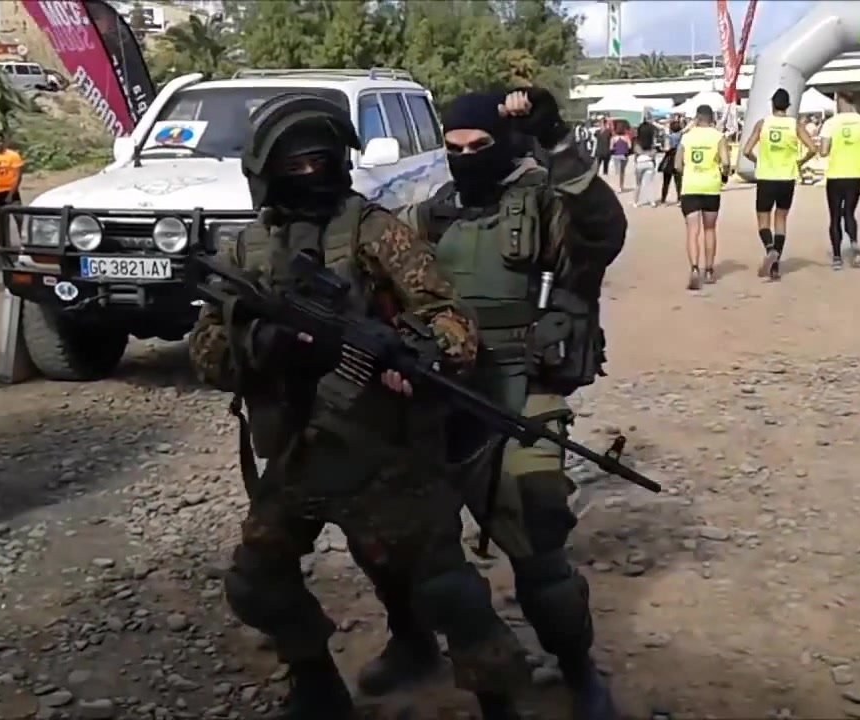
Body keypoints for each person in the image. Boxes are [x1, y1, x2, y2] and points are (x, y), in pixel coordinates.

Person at [187, 93, 534, 720]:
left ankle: (498, 698)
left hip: (385, 449)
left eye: (321, 161)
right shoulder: (246, 251)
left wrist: (420, 352)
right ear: (265, 170)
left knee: (446, 590)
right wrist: (260, 345)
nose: (311, 174)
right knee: (255, 582)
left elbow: (451, 318)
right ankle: (316, 684)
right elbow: (206, 350)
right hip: (298, 451)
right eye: (296, 165)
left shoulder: (376, 231)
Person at [377, 88, 627, 720]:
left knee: (538, 537)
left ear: (505, 143)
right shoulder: (428, 215)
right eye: (454, 148)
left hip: (523, 385)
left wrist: (558, 141)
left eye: (480, 146)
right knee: (427, 556)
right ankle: (485, 681)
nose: (466, 158)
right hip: (444, 391)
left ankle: (578, 668)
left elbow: (603, 229)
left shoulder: (542, 201)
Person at [741, 88, 817, 281]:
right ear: (788, 106)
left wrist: (758, 160)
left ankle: (769, 249)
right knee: (781, 219)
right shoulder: (795, 125)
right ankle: (775, 267)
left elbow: (746, 150)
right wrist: (800, 162)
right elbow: (812, 148)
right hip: (787, 178)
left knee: (763, 219)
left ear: (772, 105)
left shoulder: (762, 124)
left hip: (766, 177)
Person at [818, 92, 860, 270]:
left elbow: (823, 151)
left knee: (834, 216)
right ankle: (854, 243)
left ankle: (837, 257)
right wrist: (858, 148)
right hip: (854, 174)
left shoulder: (830, 123)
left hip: (835, 175)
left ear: (839, 101)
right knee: (849, 212)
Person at [674, 104, 729, 290]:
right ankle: (710, 270)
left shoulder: (687, 137)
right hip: (711, 186)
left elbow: (677, 165)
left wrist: (689, 171)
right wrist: (724, 175)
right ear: (711, 118)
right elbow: (726, 162)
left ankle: (694, 268)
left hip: (690, 186)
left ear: (697, 118)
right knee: (710, 229)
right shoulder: (718, 136)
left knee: (692, 231)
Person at [0, 133, 25, 242]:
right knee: (2, 220)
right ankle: (4, 245)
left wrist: (11, 194)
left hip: (10, 190)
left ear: (4, 142)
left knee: (19, 217)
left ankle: (24, 242)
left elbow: (18, 176)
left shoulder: (13, 156)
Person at [632, 115, 659, 208]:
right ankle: (652, 202)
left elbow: (636, 151)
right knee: (649, 184)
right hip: (649, 162)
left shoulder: (637, 142)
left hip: (640, 162)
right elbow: (654, 153)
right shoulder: (651, 142)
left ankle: (635, 202)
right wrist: (649, 154)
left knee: (638, 184)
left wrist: (641, 155)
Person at [659, 117, 684, 204]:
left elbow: (667, 148)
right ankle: (679, 198)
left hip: (669, 158)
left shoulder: (669, 137)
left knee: (666, 181)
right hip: (678, 158)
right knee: (678, 181)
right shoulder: (681, 136)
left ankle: (663, 198)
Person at [608, 122, 631, 192]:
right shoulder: (626, 137)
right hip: (624, 155)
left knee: (617, 171)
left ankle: (617, 187)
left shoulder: (613, 138)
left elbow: (611, 148)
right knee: (622, 172)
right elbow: (629, 146)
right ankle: (621, 186)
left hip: (616, 155)